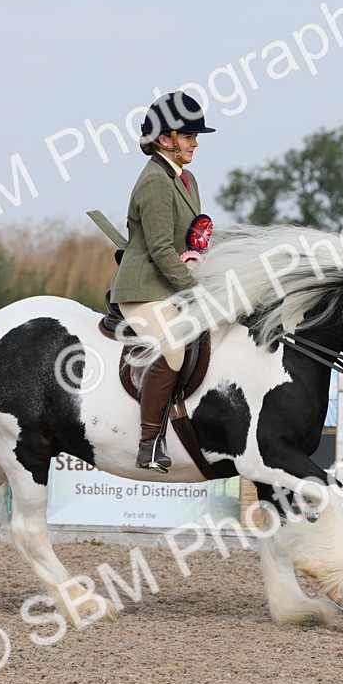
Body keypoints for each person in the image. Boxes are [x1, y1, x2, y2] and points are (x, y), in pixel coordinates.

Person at [108, 91, 215, 472]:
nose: (196, 142)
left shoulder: (187, 179)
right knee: (172, 346)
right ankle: (149, 441)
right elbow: (159, 249)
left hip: (170, 283)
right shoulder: (154, 180)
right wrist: (197, 289)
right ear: (165, 139)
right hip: (143, 288)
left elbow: (188, 240)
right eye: (189, 136)